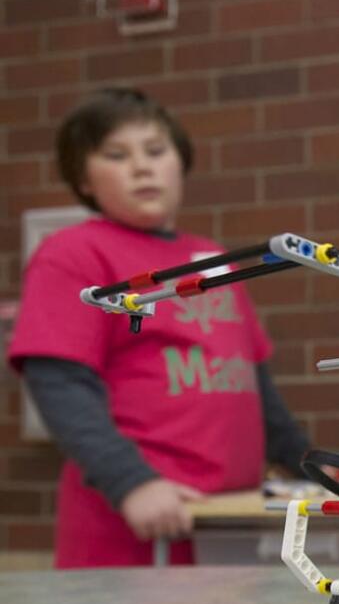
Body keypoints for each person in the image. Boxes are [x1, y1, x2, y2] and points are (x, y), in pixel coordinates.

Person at [8, 87, 310, 568]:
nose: (142, 167)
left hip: (229, 525)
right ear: (83, 179)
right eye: (116, 155)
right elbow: (60, 383)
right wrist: (133, 483)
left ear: (180, 162)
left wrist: (313, 468)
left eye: (155, 150)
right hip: (134, 526)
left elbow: (254, 385)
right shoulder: (74, 254)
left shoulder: (213, 259)